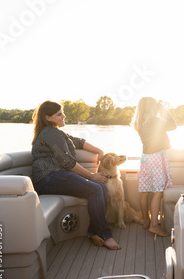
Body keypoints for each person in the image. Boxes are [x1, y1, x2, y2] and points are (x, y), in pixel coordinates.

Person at [31, 101, 121, 250]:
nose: (63, 116)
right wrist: (92, 176)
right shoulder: (50, 133)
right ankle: (106, 235)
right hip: (48, 177)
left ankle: (94, 233)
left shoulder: (58, 133)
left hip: (57, 176)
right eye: (59, 114)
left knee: (101, 187)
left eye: (62, 112)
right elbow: (67, 162)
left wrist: (99, 151)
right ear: (48, 117)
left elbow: (78, 142)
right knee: (96, 188)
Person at [132, 97, 176, 238]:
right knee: (158, 191)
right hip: (156, 157)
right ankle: (154, 226)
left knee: (144, 191)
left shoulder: (139, 122)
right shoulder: (154, 120)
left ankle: (146, 221)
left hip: (145, 158)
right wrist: (163, 109)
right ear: (152, 107)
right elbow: (173, 125)